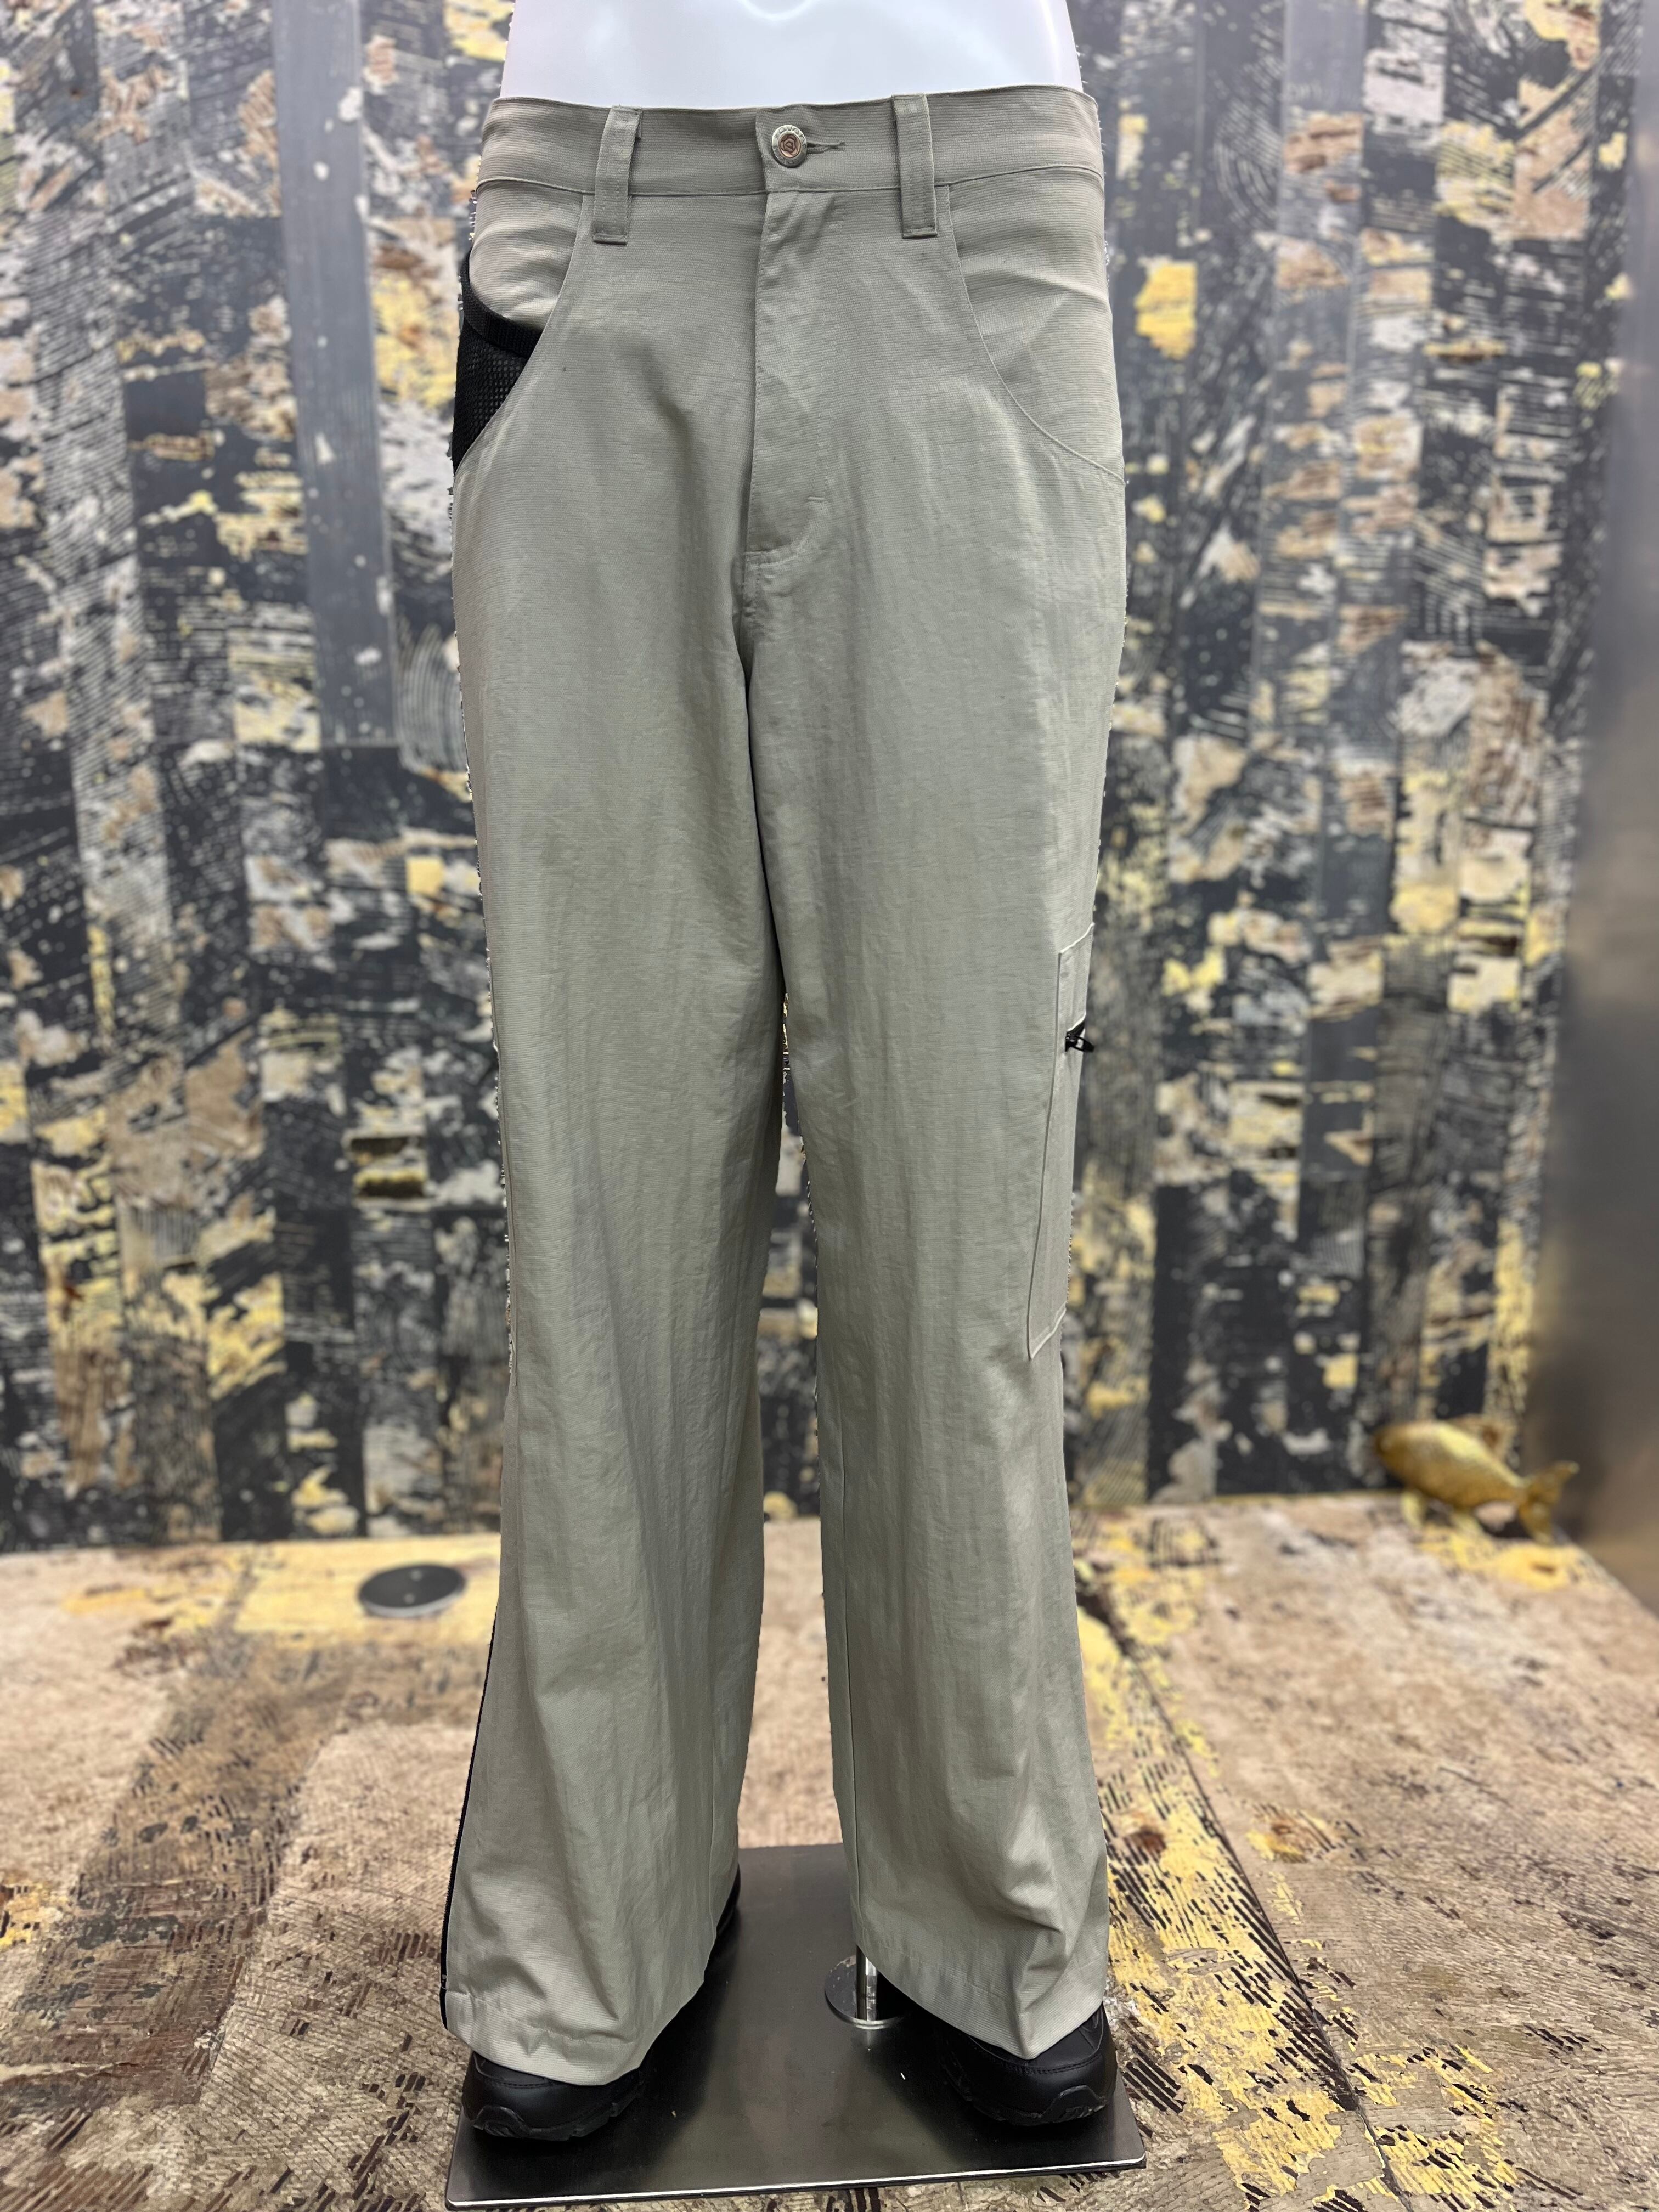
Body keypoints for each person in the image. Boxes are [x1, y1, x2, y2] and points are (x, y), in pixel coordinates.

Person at [439, 0, 1128, 2142]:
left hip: (969, 233)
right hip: (592, 227)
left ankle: (988, 1912)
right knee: (610, 1154)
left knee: (960, 1154)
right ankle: (600, 1916)